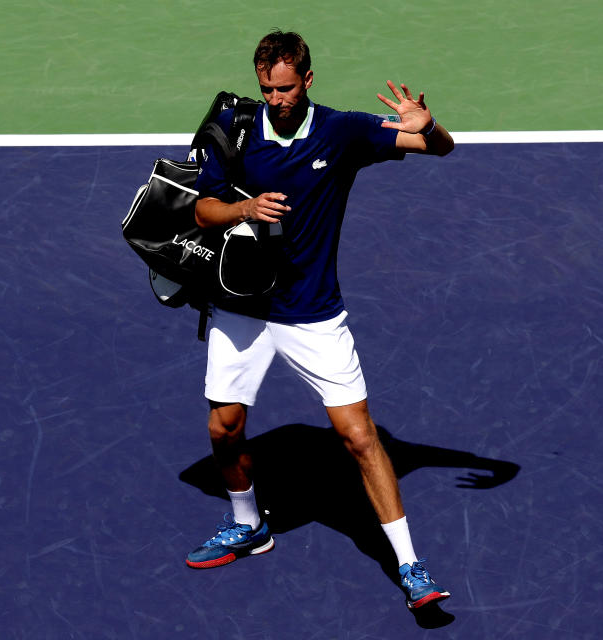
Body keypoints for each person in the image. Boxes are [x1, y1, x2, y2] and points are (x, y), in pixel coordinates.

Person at [186, 30, 455, 610]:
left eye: (285, 89)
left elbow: (441, 148)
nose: (276, 100)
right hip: (241, 307)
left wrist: (427, 125)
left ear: (307, 80)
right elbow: (203, 209)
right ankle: (248, 525)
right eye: (266, 90)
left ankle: (411, 566)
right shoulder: (234, 131)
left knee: (360, 437)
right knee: (222, 429)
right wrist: (245, 207)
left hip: (313, 313)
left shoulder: (343, 130)